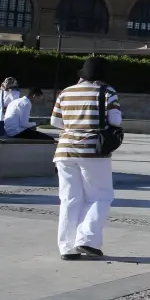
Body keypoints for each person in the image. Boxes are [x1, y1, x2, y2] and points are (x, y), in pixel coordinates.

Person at [50, 57, 121, 260]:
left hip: (64, 151)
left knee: (69, 199)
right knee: (100, 196)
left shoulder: (66, 91)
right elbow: (115, 119)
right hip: (94, 151)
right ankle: (86, 240)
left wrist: (74, 125)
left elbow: (55, 121)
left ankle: (66, 247)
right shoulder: (107, 92)